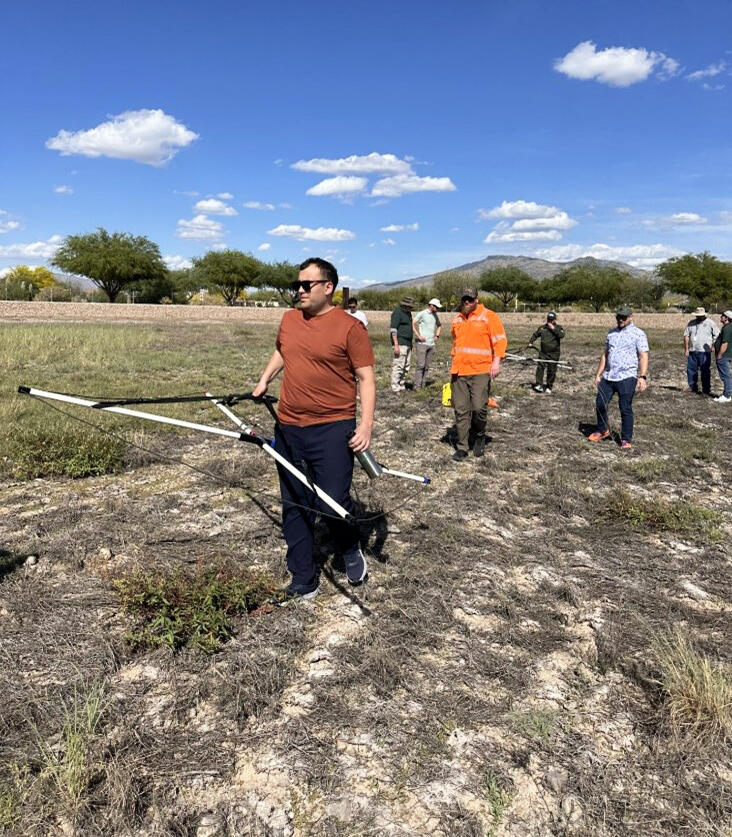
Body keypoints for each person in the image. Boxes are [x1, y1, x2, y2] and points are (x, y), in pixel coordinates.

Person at [253, 258, 375, 599]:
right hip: (290, 426)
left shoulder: (350, 328)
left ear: (328, 287)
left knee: (331, 501)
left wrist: (365, 425)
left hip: (333, 429)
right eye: (297, 285)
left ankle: (349, 545)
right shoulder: (290, 320)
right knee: (295, 503)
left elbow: (366, 378)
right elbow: (282, 351)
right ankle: (303, 580)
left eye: (306, 285)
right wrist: (264, 380)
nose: (299, 291)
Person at [450, 288, 507, 461]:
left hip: (481, 370)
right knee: (461, 410)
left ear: (476, 299)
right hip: (459, 371)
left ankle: (480, 434)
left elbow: (500, 340)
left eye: (470, 299)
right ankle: (462, 447)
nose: (466, 302)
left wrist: (496, 361)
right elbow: (456, 342)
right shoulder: (457, 318)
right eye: (464, 299)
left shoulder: (489, 316)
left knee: (478, 407)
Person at [588, 306, 649, 451]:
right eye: (618, 317)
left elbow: (643, 356)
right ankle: (602, 430)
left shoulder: (638, 334)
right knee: (600, 404)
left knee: (625, 407)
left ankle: (625, 439)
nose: (620, 320)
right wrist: (598, 374)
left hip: (627, 377)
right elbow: (606, 355)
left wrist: (643, 376)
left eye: (623, 317)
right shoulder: (611, 333)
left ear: (631, 317)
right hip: (609, 376)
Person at [684, 306, 718, 395]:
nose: (699, 317)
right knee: (691, 370)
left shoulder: (710, 323)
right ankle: (692, 387)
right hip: (693, 350)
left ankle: (706, 389)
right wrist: (687, 349)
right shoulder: (691, 323)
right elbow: (686, 336)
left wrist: (713, 345)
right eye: (697, 315)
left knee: (705, 370)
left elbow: (717, 335)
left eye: (700, 315)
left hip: (704, 352)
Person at [529, 312, 566, 393]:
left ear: (554, 320)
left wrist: (553, 328)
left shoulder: (559, 328)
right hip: (543, 353)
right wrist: (531, 342)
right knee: (540, 368)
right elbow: (535, 334)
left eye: (551, 320)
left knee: (551, 370)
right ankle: (539, 384)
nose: (549, 321)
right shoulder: (542, 328)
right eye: (548, 319)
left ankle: (549, 386)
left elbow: (561, 335)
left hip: (554, 353)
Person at [413, 297, 443, 388]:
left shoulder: (435, 315)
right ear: (431, 305)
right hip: (422, 344)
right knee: (420, 365)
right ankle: (417, 386)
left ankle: (423, 385)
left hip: (431, 345)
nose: (437, 309)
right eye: (436, 307)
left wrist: (437, 336)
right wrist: (418, 336)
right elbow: (413, 323)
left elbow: (439, 326)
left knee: (426, 366)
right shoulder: (422, 313)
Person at [390, 296, 414, 392]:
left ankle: (401, 383)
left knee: (406, 365)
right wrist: (396, 344)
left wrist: (411, 343)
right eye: (409, 306)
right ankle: (395, 386)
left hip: (408, 343)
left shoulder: (408, 314)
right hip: (400, 342)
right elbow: (393, 329)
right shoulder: (397, 313)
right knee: (399, 364)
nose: (410, 308)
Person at [713, 310, 732, 403]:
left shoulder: (727, 328)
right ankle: (727, 393)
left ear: (727, 318)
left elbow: (725, 343)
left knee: (725, 376)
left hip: (724, 355)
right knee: (727, 375)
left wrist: (720, 355)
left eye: (723, 316)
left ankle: (727, 395)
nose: (721, 317)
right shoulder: (728, 327)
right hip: (728, 354)